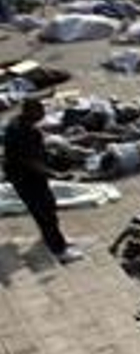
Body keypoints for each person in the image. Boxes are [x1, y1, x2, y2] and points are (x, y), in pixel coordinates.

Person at [3, 98, 82, 262]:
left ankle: (50, 238)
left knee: (44, 209)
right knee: (45, 212)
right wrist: (54, 174)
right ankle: (59, 249)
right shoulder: (27, 132)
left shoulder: (16, 123)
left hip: (19, 175)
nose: (43, 114)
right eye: (40, 111)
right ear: (31, 112)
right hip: (28, 177)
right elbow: (31, 161)